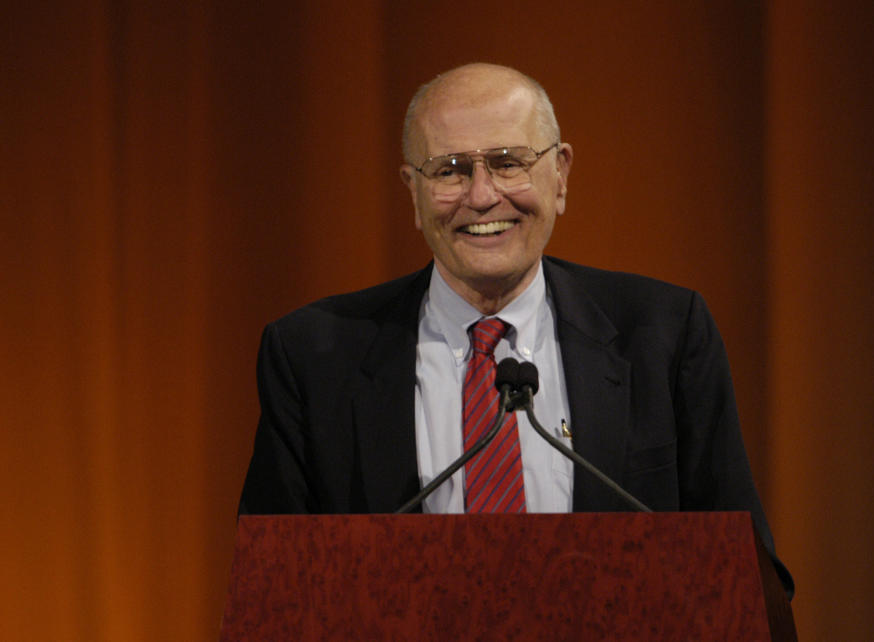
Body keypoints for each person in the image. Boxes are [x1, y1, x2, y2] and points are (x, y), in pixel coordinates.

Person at [239, 63, 792, 594]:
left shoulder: (664, 335)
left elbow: (744, 576)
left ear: (560, 175)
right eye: (450, 170)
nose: (481, 196)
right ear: (413, 189)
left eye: (508, 162)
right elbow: (273, 594)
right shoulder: (313, 357)